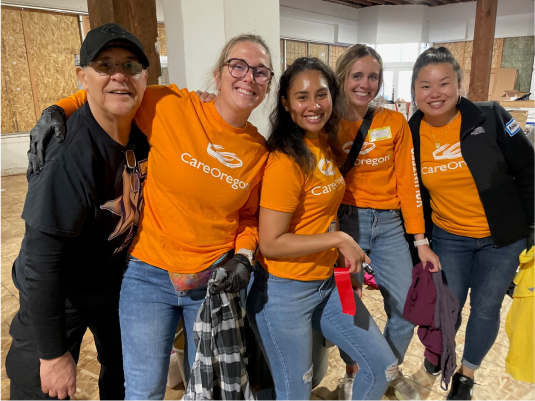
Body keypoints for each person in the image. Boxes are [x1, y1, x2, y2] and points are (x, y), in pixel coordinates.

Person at [48, 34, 274, 400]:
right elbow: (114, 95)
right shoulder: (171, 105)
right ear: (218, 75)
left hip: (210, 283)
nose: (248, 77)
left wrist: (245, 256)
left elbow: (249, 216)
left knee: (207, 391)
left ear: (266, 86)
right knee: (143, 390)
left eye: (261, 72)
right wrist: (58, 110)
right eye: (238, 66)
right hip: (148, 277)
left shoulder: (258, 150)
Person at [6, 23, 150, 400]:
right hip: (61, 292)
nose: (120, 75)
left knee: (126, 375)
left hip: (113, 283)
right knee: (40, 387)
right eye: (105, 65)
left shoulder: (143, 130)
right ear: (82, 76)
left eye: (131, 66)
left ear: (145, 77)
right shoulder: (70, 156)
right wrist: (53, 355)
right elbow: (40, 262)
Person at [247, 57, 398, 401]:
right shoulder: (285, 161)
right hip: (283, 293)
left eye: (321, 94)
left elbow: (323, 212)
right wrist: (341, 239)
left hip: (330, 283)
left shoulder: (324, 144)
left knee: (382, 366)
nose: (314, 105)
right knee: (296, 391)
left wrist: (343, 266)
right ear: (285, 103)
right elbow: (270, 243)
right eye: (302, 97)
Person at [409, 46, 535, 401]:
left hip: (501, 240)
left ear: (459, 84)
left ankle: (466, 375)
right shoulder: (412, 132)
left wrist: (532, 227)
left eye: (444, 83)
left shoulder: (489, 118)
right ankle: (439, 352)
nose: (435, 93)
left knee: (484, 308)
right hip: (448, 238)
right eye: (425, 86)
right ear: (414, 91)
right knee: (447, 306)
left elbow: (528, 169)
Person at [334, 44, 439, 401]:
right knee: (349, 306)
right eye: (357, 75)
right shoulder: (328, 121)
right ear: (343, 77)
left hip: (391, 226)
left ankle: (387, 370)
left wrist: (420, 240)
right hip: (347, 223)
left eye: (373, 76)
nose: (366, 83)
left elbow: (408, 185)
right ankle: (353, 372)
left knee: (406, 307)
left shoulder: (394, 122)